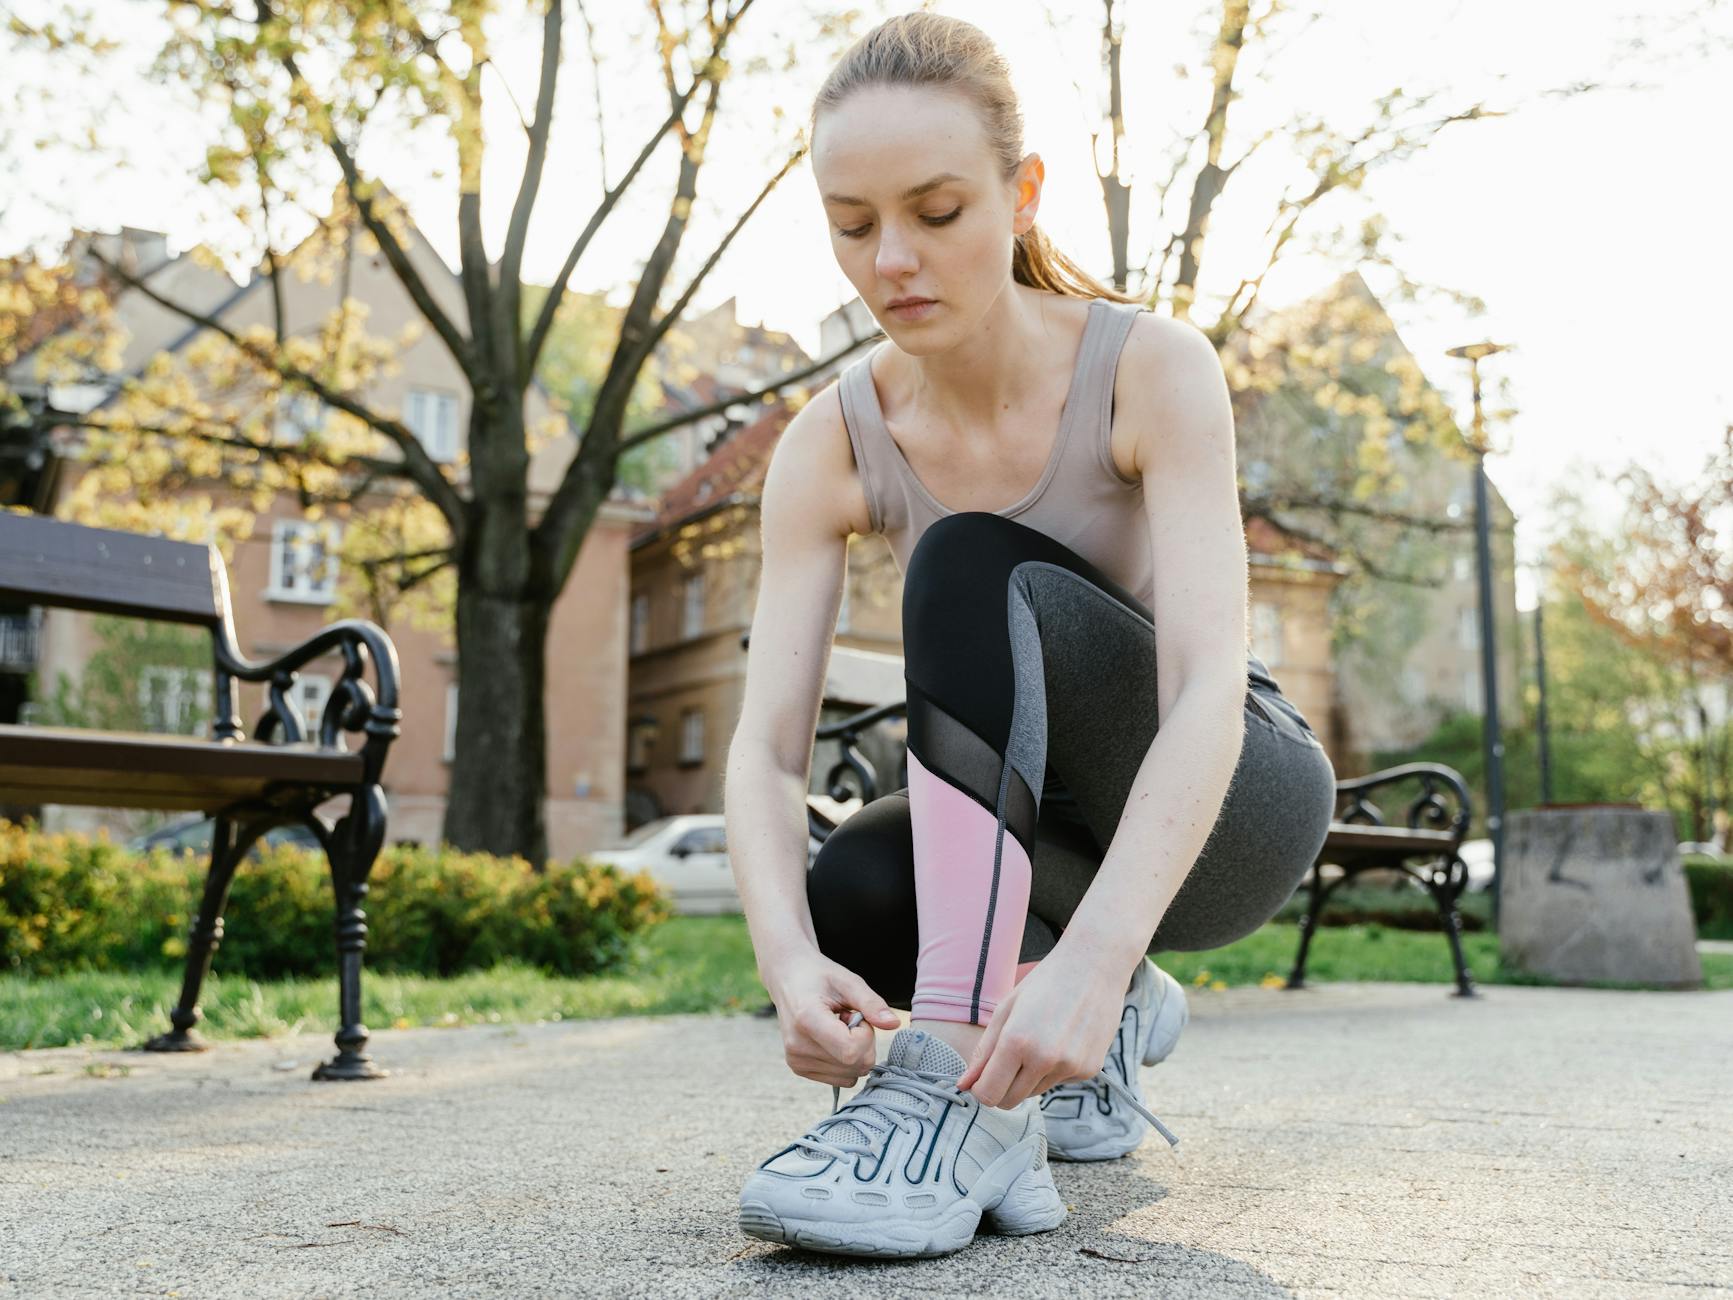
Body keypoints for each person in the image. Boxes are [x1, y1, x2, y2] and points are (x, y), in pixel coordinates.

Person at [723, 12, 1337, 1260]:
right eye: (852, 224)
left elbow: (1209, 678)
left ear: (1021, 193)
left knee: (965, 561)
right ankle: (1077, 1050)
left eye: (936, 211)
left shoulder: (1148, 368)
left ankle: (951, 1090)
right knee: (850, 883)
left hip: (1235, 805)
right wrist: (787, 962)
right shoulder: (827, 441)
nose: (891, 257)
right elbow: (764, 755)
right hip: (1052, 838)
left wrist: (1099, 949)